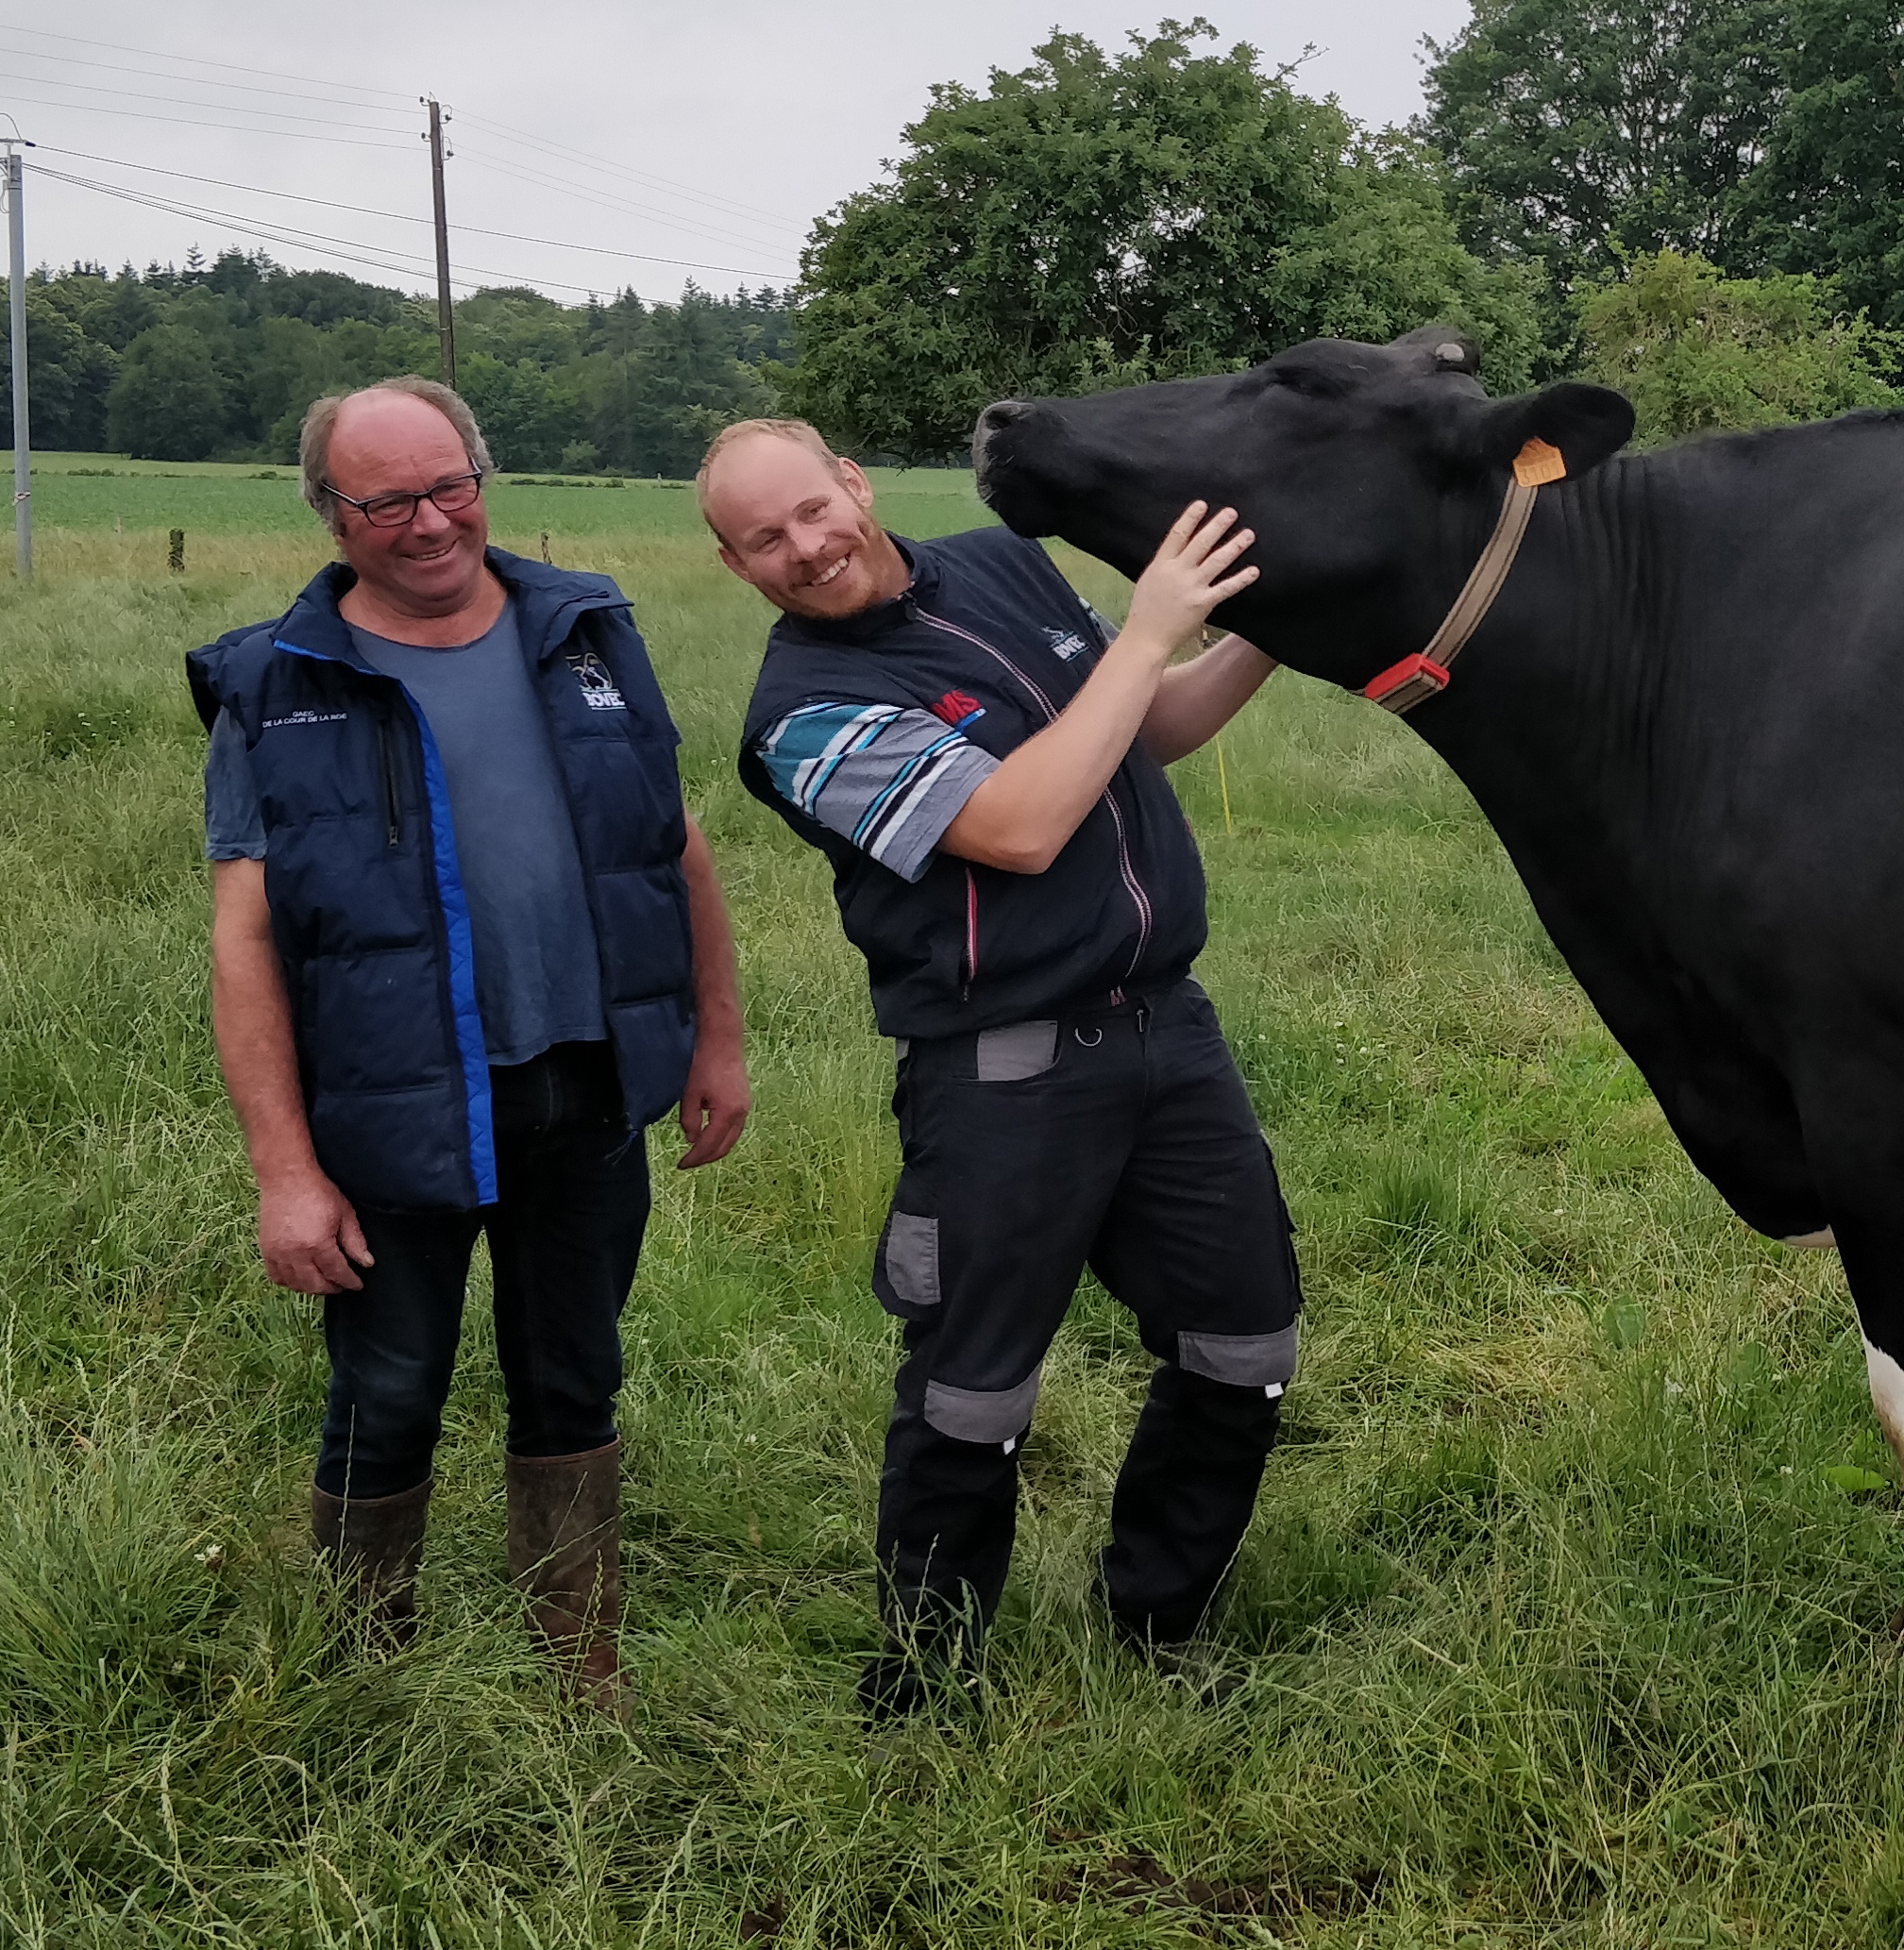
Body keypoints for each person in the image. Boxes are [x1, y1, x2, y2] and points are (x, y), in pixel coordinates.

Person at [696, 413, 1289, 1714]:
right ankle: (923, 1685)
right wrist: (1145, 630)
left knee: (1242, 1346)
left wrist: (1265, 634)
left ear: (853, 482)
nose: (805, 547)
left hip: (1170, 1035)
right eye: (764, 540)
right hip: (1002, 1075)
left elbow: (1143, 730)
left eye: (813, 508)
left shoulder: (1003, 565)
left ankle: (1158, 1623)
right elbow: (1018, 826)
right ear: (736, 567)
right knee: (974, 1394)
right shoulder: (803, 718)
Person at [190, 378, 750, 1706]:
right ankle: (360, 1669)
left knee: (576, 1373)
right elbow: (244, 941)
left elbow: (673, 846)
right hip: (397, 1108)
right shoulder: (276, 683)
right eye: (387, 500)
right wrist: (284, 1169)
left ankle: (578, 1661)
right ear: (330, 512)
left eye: (451, 486)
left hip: (586, 1084)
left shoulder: (591, 633)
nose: (430, 522)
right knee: (387, 1389)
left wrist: (716, 1041)